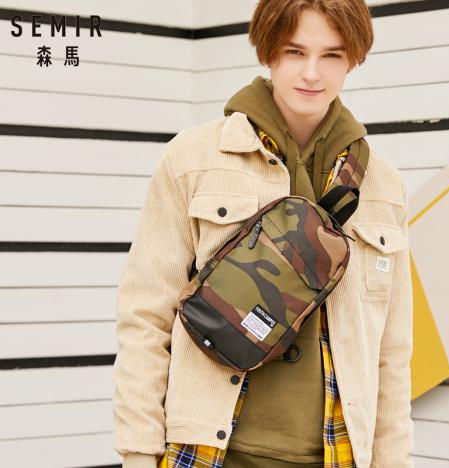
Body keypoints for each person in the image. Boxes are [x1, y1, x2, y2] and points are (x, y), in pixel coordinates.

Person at [112, 1, 414, 467]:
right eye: (296, 52)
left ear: (352, 60)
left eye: (332, 55)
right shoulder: (193, 159)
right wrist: (138, 453)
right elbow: (145, 318)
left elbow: (391, 354)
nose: (312, 73)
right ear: (269, 51)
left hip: (338, 455)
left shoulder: (382, 185)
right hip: (209, 453)